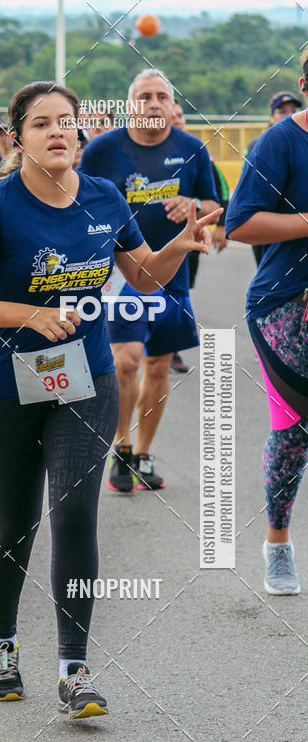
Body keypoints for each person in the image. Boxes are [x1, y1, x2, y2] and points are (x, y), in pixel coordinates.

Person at [0, 81, 220, 714]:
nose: (58, 132)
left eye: (66, 122)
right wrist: (28, 317)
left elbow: (142, 275)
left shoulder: (103, 195)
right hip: (5, 386)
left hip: (83, 381)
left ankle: (75, 669)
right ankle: (3, 645)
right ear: (16, 139)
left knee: (76, 515)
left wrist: (180, 242)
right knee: (16, 521)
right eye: (42, 124)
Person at [79, 68, 219, 492]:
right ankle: (120, 448)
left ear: (172, 105)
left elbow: (214, 204)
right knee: (125, 362)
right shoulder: (103, 150)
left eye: (161, 96)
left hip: (173, 276)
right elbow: (78, 200)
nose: (153, 104)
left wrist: (192, 202)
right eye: (144, 96)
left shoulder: (192, 149)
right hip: (122, 274)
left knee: (158, 365)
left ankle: (143, 451)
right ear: (130, 105)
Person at [225, 58, 308, 595]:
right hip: (285, 304)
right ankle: (277, 542)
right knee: (295, 431)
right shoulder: (280, 143)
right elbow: (240, 222)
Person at [170, 100, 229, 374]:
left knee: (180, 294)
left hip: (188, 242)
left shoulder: (197, 152)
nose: (177, 119)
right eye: (173, 115)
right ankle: (162, 349)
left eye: (181, 115)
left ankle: (169, 348)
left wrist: (221, 226)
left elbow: (220, 192)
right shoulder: (136, 154)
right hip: (146, 245)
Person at [244, 91, 303, 267]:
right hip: (269, 228)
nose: (289, 114)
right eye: (282, 111)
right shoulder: (259, 145)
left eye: (294, 109)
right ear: (271, 117)